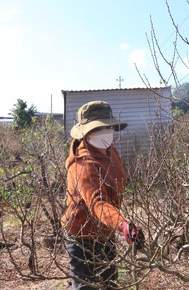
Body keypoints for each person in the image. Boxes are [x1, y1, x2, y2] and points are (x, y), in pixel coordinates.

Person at [61, 100, 145, 290]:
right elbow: (97, 203)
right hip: (81, 235)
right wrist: (123, 224)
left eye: (108, 127)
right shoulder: (83, 165)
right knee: (86, 287)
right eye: (98, 128)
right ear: (85, 133)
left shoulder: (109, 150)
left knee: (109, 283)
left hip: (104, 231)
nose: (105, 132)